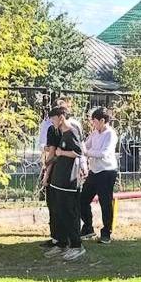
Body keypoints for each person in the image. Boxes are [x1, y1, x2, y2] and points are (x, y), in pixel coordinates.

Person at [42, 105, 85, 260]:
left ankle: (76, 245)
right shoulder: (60, 133)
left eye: (53, 119)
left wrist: (62, 152)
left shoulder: (71, 132)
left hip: (68, 181)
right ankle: (61, 243)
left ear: (61, 117)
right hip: (58, 180)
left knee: (69, 213)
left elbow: (79, 152)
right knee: (58, 212)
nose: (52, 122)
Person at [80, 107, 119, 242]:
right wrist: (80, 147)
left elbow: (104, 153)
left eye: (95, 121)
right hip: (94, 171)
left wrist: (87, 153)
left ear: (102, 121)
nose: (93, 124)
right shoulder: (95, 133)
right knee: (82, 200)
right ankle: (88, 228)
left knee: (105, 202)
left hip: (107, 172)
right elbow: (85, 146)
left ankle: (106, 233)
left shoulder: (110, 134)